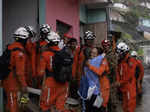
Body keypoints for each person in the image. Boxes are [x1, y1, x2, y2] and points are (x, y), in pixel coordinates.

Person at [38, 31, 70, 112]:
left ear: (48, 42)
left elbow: (40, 73)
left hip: (51, 84)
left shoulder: (45, 54)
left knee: (46, 107)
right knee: (60, 108)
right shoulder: (65, 53)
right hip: (64, 84)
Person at [2, 27, 30, 112]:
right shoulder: (19, 52)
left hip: (8, 79)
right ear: (24, 39)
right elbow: (19, 72)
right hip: (13, 82)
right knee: (13, 106)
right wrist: (24, 86)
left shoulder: (10, 47)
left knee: (10, 104)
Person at [85, 47, 110, 112]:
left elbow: (100, 72)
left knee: (100, 107)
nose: (91, 54)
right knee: (90, 107)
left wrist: (89, 66)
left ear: (98, 55)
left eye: (94, 53)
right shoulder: (90, 61)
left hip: (102, 87)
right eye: (91, 52)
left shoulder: (102, 61)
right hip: (94, 88)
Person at [115, 42, 137, 112]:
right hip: (123, 87)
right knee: (124, 107)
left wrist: (120, 82)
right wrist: (118, 81)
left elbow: (129, 76)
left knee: (130, 107)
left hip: (129, 88)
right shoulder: (121, 61)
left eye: (119, 53)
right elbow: (117, 72)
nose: (118, 55)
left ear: (124, 52)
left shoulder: (131, 61)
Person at [101, 39, 119, 112]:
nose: (106, 47)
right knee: (106, 100)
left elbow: (113, 67)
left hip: (111, 81)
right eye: (104, 46)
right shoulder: (103, 54)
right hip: (105, 81)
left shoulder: (112, 54)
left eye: (107, 45)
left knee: (112, 102)